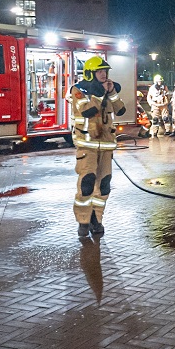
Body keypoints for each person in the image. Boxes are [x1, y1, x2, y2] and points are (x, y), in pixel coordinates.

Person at [69, 56, 126, 238]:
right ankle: (83, 221)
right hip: (87, 146)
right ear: (90, 73)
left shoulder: (107, 89)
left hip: (106, 147)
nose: (104, 74)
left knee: (104, 185)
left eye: (105, 71)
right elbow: (87, 110)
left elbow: (121, 109)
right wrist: (100, 93)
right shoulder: (78, 90)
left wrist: (112, 93)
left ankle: (97, 219)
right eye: (100, 71)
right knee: (87, 183)